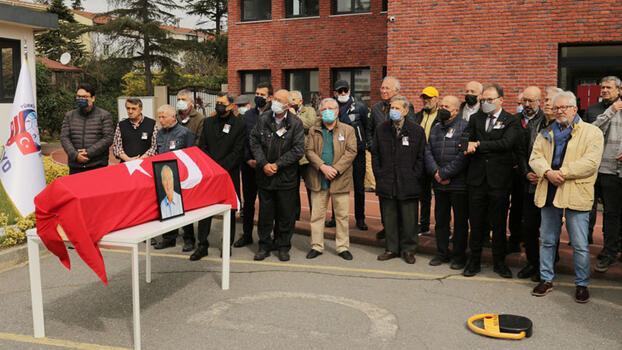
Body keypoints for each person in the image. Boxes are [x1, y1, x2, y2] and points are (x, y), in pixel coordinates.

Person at [529, 91, 603, 303]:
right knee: (548, 241)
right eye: (556, 108)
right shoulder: (545, 132)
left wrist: (563, 172)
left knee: (579, 243)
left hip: (575, 192)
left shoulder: (592, 132)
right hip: (550, 190)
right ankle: (546, 279)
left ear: (574, 109)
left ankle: (582, 284)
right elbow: (535, 157)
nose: (560, 111)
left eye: (564, 107)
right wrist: (547, 172)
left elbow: (591, 163)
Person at [463, 83, 520, 278]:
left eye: (490, 100)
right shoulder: (475, 118)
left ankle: (499, 262)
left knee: (498, 224)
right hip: (477, 180)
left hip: (499, 181)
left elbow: (506, 144)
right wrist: (468, 144)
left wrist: (478, 144)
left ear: (501, 100)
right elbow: (464, 140)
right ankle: (474, 261)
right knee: (476, 223)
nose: (486, 103)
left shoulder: (510, 120)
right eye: (483, 100)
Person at [249, 89, 305, 261]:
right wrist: (264, 163)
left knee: (285, 214)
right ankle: (264, 245)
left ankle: (283, 246)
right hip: (265, 176)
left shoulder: (295, 123)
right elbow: (254, 141)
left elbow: (298, 150)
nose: (275, 103)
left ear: (288, 105)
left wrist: (277, 165)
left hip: (286, 177)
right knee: (265, 213)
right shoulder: (263, 119)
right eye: (274, 99)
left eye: (280, 101)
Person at [190, 92, 247, 261]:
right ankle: (202, 245)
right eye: (218, 102)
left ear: (231, 106)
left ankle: (226, 244)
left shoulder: (239, 125)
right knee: (205, 210)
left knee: (229, 210)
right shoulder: (208, 122)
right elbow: (202, 147)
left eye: (223, 103)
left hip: (229, 174)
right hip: (209, 175)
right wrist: (212, 168)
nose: (219, 106)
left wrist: (221, 168)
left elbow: (238, 151)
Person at [372, 95, 426, 264]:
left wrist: (413, 175)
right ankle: (391, 248)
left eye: (397, 108)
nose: (393, 111)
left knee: (409, 219)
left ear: (405, 111)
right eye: (391, 108)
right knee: (389, 218)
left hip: (408, 182)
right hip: (387, 181)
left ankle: (408, 250)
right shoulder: (381, 129)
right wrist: (379, 174)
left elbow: (421, 157)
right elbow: (375, 154)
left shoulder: (416, 130)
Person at [304, 98, 357, 260]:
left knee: (341, 216)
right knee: (317, 215)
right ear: (320, 112)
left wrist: (335, 168)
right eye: (324, 109)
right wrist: (322, 166)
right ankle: (317, 246)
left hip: (340, 179)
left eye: (330, 108)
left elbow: (351, 151)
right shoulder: (313, 130)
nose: (327, 111)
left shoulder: (348, 130)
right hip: (318, 178)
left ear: (336, 111)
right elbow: (309, 151)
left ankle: (342, 247)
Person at [516, 86, 558, 282]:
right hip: (531, 185)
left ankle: (548, 265)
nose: (527, 105)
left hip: (552, 184)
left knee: (550, 227)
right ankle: (532, 263)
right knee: (530, 227)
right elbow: (523, 152)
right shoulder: (534, 125)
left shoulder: (563, 125)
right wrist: (525, 172)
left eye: (550, 101)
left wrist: (547, 173)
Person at [424, 95, 469, 269]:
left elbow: (463, 156)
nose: (442, 108)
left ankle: (459, 256)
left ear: (456, 110)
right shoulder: (436, 127)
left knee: (459, 222)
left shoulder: (465, 127)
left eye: (446, 106)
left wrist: (445, 173)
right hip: (439, 183)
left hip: (458, 184)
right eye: (441, 105)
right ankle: (441, 252)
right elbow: (428, 151)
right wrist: (436, 173)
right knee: (441, 221)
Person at [370, 76, 416, 240]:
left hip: (402, 160)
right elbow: (370, 131)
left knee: (402, 200)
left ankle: (403, 233)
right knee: (385, 199)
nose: (383, 91)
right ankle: (387, 228)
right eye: (382, 88)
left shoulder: (406, 107)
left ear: (397, 91)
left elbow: (413, 132)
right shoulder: (376, 108)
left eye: (387, 88)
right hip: (384, 160)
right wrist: (373, 145)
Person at [325, 80, 369, 231]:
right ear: (335, 93)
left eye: (345, 90)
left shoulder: (360, 107)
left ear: (350, 91)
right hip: (338, 152)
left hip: (357, 152)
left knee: (359, 187)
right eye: (340, 91)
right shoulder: (331, 108)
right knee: (336, 186)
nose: (343, 93)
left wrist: (365, 145)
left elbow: (367, 127)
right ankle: (335, 218)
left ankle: (360, 218)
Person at [234, 82, 273, 248]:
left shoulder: (274, 115)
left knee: (266, 204)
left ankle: (265, 238)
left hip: (267, 167)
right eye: (257, 94)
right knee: (248, 203)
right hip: (249, 166)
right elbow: (242, 140)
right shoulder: (248, 115)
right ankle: (247, 234)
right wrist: (248, 159)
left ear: (270, 97)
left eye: (262, 95)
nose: (258, 97)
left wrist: (264, 162)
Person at [153, 104, 195, 250]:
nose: (161, 120)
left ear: (172, 116)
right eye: (159, 117)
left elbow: (191, 156)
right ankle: (169, 238)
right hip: (164, 175)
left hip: (180, 176)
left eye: (163, 117)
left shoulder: (185, 133)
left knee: (185, 208)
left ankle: (189, 238)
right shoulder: (159, 134)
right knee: (167, 207)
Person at [508, 87, 543, 254]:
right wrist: (520, 168)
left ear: (539, 101)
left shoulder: (545, 120)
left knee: (534, 213)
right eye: (524, 101)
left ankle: (531, 242)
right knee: (515, 208)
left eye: (531, 101)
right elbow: (512, 146)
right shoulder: (513, 120)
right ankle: (514, 240)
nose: (527, 104)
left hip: (538, 174)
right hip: (517, 172)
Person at [592, 96, 622, 272]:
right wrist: (611, 112)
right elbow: (594, 130)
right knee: (611, 214)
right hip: (609, 170)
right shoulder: (611, 110)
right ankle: (610, 252)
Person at [175, 89, 207, 251]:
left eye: (183, 99)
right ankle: (187, 236)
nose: (180, 101)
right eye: (178, 98)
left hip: (191, 165)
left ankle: (199, 239)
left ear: (191, 102)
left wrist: (186, 157)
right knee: (179, 202)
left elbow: (200, 142)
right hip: (174, 165)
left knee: (193, 202)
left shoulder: (200, 119)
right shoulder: (174, 117)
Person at [60, 83, 114, 175]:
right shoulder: (70, 115)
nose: (81, 99)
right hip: (75, 167)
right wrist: (75, 155)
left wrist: (89, 152)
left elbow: (108, 138)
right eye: (79, 96)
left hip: (97, 166)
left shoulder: (104, 115)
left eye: (84, 97)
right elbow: (64, 137)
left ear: (93, 98)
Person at [414, 86, 440, 235]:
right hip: (421, 161)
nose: (426, 100)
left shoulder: (441, 116)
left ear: (436, 99)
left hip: (436, 161)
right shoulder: (418, 116)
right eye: (424, 97)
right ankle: (423, 225)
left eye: (429, 97)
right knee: (423, 196)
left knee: (440, 197)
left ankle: (441, 227)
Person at [289, 90, 317, 220]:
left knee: (311, 187)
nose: (291, 102)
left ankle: (314, 215)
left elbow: (310, 124)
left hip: (306, 158)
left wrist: (294, 116)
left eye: (293, 99)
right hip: (292, 157)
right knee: (293, 189)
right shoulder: (286, 112)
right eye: (290, 100)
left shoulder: (309, 110)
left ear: (300, 101)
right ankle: (295, 215)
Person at [112, 98, 158, 162]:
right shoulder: (121, 125)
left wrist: (140, 160)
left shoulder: (152, 124)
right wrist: (128, 159)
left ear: (140, 109)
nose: (130, 111)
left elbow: (155, 147)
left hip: (146, 164)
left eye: (134, 109)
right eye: (128, 108)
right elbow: (117, 148)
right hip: (126, 165)